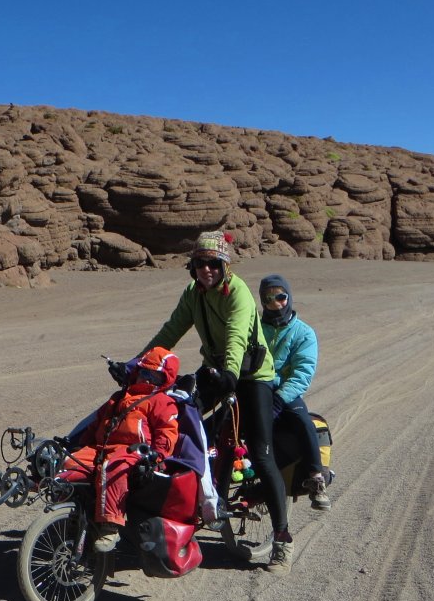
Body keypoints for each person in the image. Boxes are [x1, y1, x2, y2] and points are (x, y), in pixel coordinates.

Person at [139, 231, 293, 573]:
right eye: (200, 263)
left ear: (225, 266)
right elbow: (171, 331)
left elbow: (236, 337)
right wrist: (141, 363)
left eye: (213, 263)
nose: (206, 269)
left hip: (252, 377)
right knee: (179, 422)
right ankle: (194, 499)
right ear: (192, 267)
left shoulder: (238, 293)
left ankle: (282, 540)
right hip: (216, 371)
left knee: (261, 453)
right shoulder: (193, 293)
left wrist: (231, 375)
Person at [57, 347, 181, 553]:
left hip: (135, 451)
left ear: (164, 380)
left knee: (112, 468)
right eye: (144, 372)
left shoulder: (162, 401)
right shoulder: (119, 396)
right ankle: (73, 515)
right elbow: (97, 423)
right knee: (69, 463)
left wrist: (158, 455)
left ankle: (110, 525)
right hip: (102, 447)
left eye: (154, 375)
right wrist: (81, 444)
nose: (147, 378)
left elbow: (167, 431)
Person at [259, 274, 331, 511]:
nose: (276, 303)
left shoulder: (303, 333)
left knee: (303, 421)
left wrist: (280, 399)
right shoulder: (254, 327)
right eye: (268, 299)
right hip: (255, 387)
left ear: (289, 297)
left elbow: (302, 374)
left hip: (284, 392)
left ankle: (316, 478)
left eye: (280, 296)